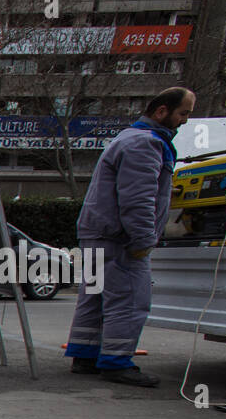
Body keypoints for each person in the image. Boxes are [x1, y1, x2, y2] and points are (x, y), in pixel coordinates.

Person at [65, 87, 195, 387]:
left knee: (94, 297)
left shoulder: (126, 138)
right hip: (119, 238)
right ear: (161, 111)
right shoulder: (146, 143)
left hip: (98, 234)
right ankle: (116, 361)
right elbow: (137, 199)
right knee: (130, 299)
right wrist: (143, 240)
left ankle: (84, 355)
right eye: (183, 113)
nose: (185, 121)